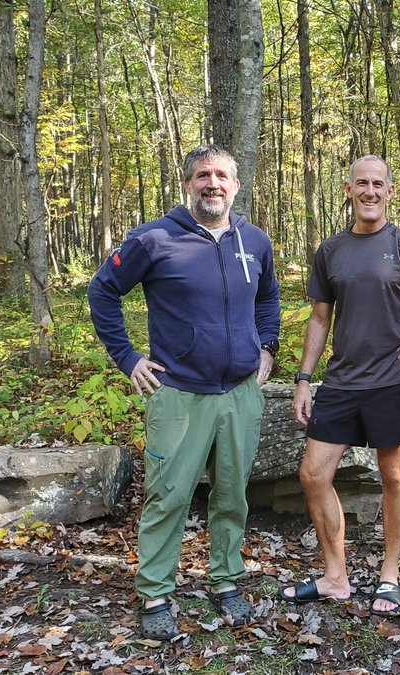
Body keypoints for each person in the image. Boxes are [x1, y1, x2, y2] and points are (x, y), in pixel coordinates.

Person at [88, 145, 281, 640]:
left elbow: (268, 298)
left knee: (232, 495)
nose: (212, 183)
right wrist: (128, 359)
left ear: (236, 185)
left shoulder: (254, 241)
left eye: (221, 176)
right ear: (188, 184)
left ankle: (226, 581)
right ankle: (154, 592)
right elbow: (102, 291)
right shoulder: (153, 239)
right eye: (202, 176)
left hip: (240, 393)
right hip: (178, 394)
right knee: (168, 497)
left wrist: (267, 346)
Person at [282, 155, 400, 617]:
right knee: (313, 475)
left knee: (394, 476)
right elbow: (319, 318)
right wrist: (304, 379)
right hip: (341, 382)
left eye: (378, 184)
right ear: (348, 190)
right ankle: (335, 576)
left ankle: (389, 576)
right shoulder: (330, 251)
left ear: (391, 191)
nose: (370, 191)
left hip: (394, 382)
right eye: (361, 184)